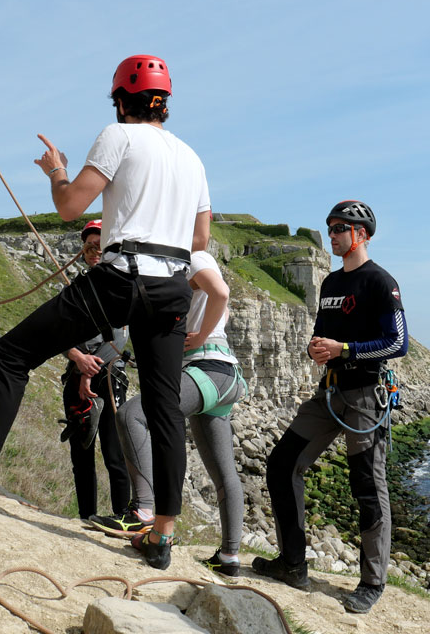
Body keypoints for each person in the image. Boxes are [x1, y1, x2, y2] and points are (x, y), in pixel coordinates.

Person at [0, 54, 211, 573]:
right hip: (173, 285)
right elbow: (200, 238)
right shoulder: (192, 158)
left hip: (122, 278)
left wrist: (58, 172)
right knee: (164, 408)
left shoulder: (119, 136)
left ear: (121, 99)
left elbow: (71, 206)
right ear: (165, 104)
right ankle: (161, 535)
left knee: (9, 355)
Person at [254, 200, 408, 614]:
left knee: (367, 488)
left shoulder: (381, 281)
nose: (333, 233)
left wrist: (346, 349)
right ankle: (292, 563)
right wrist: (316, 348)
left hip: (365, 397)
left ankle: (372, 582)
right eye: (331, 226)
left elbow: (398, 343)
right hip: (330, 391)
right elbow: (322, 336)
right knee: (282, 464)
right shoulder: (329, 284)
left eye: (341, 227)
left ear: (363, 233)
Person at [92, 249, 248, 577]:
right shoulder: (187, 267)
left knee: (133, 414)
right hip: (222, 377)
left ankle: (144, 510)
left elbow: (221, 293)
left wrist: (201, 336)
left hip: (206, 367)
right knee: (224, 473)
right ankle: (230, 556)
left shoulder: (195, 257)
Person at [58, 218, 131, 521]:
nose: (93, 249)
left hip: (108, 374)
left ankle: (122, 516)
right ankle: (87, 516)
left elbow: (121, 336)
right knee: (82, 453)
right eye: (89, 244)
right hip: (79, 373)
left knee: (115, 453)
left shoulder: (122, 286)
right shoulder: (72, 287)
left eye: (99, 244)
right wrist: (77, 358)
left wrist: (88, 367)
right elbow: (58, 333)